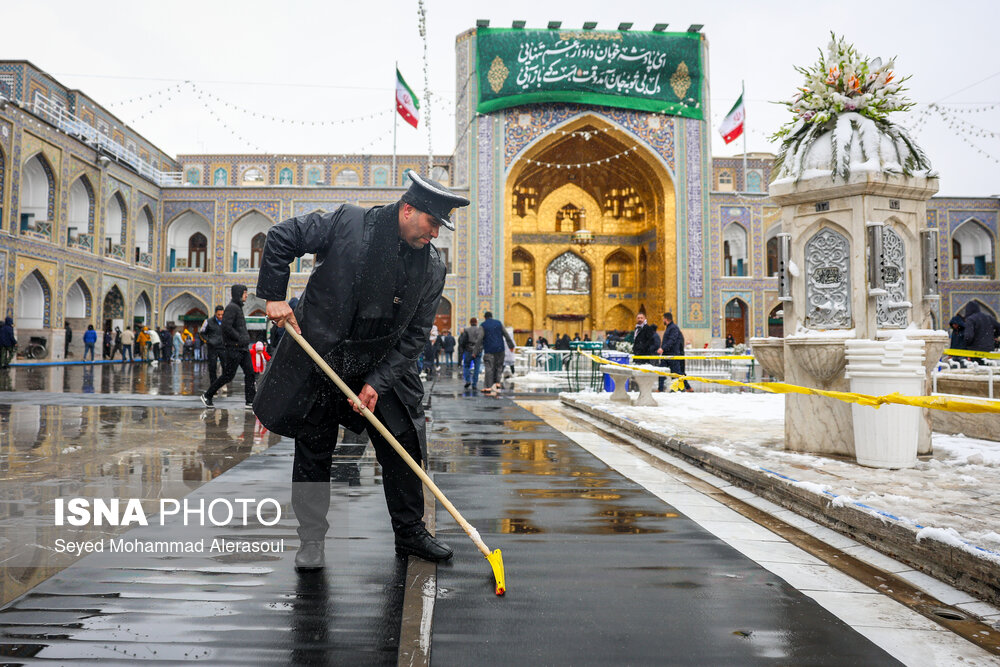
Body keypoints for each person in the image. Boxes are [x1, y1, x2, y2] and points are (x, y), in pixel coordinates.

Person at [252, 171, 469, 571]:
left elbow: (416, 335)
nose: (436, 234)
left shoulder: (433, 268)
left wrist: (378, 382)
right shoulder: (347, 223)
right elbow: (282, 237)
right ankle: (312, 540)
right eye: (432, 223)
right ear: (408, 209)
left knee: (403, 443)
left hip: (382, 362)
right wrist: (274, 296)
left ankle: (410, 533)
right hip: (324, 356)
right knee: (314, 449)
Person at [201, 285, 256, 409]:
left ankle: (250, 400)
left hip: (242, 348)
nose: (246, 295)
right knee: (228, 375)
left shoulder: (237, 308)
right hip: (235, 348)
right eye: (244, 293)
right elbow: (226, 327)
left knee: (250, 373)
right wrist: (239, 338)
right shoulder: (232, 308)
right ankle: (208, 395)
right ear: (238, 294)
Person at [480, 311, 514, 392]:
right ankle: (497, 382)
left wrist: (475, 351)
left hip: (489, 349)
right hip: (500, 348)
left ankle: (488, 386)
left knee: (489, 367)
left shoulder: (483, 325)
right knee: (499, 366)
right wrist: (511, 346)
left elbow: (479, 339)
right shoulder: (499, 323)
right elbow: (506, 334)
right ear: (492, 316)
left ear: (485, 317)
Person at [658, 312, 689, 392]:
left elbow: (672, 340)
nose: (663, 321)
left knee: (676, 372)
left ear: (666, 319)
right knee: (662, 371)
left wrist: (663, 348)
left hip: (672, 354)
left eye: (663, 319)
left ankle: (682, 388)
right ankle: (661, 388)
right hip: (668, 354)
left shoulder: (673, 328)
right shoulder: (670, 328)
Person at [201, 305, 225, 385]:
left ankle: (223, 384)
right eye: (219, 315)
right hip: (212, 347)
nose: (220, 316)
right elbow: (202, 333)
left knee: (226, 366)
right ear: (215, 313)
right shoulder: (208, 321)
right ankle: (213, 385)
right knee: (212, 367)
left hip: (223, 347)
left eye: (222, 314)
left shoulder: (226, 322)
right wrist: (208, 341)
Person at [459, 316, 484, 390]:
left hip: (468, 350)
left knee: (466, 366)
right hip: (478, 350)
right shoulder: (480, 330)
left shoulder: (466, 330)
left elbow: (463, 341)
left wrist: (463, 349)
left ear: (470, 323)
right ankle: (474, 384)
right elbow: (482, 340)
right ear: (476, 322)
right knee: (477, 368)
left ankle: (468, 380)